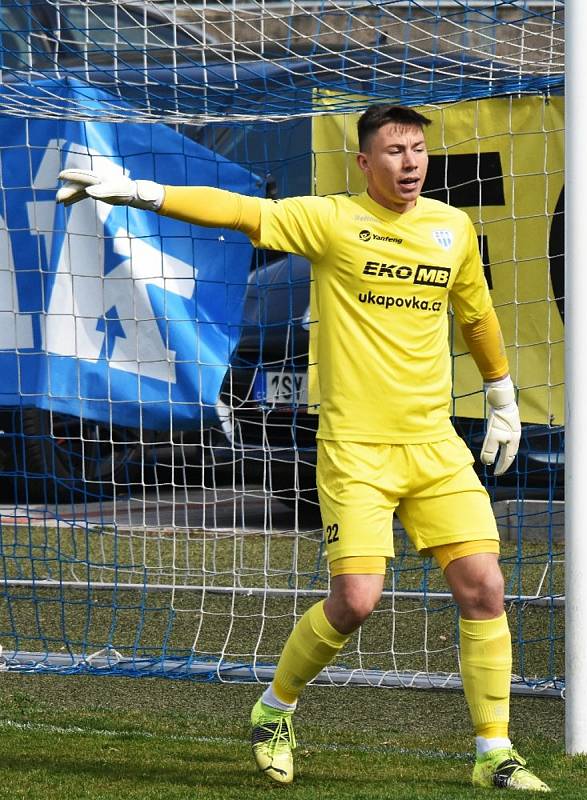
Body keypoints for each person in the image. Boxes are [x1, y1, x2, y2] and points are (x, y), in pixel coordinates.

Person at [57, 104, 549, 793]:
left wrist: (501, 397)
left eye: (417, 150)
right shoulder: (330, 220)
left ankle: (493, 751)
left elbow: (474, 312)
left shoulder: (452, 228)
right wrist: (140, 192)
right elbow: (235, 213)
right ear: (364, 163)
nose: (409, 163)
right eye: (393, 152)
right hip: (355, 450)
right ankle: (274, 709)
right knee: (354, 601)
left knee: (484, 587)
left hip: (435, 446)